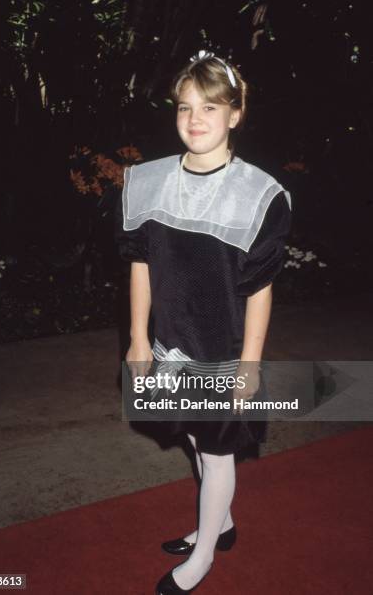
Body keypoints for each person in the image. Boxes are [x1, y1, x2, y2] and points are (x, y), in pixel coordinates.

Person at [116, 50, 292, 594]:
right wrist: (138, 336)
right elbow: (142, 264)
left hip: (222, 347)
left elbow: (259, 289)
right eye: (185, 107)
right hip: (171, 343)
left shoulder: (257, 196)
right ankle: (225, 522)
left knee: (216, 453)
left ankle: (205, 557)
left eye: (210, 107)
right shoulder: (149, 182)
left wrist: (250, 364)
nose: (195, 119)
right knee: (195, 438)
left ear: (235, 114)